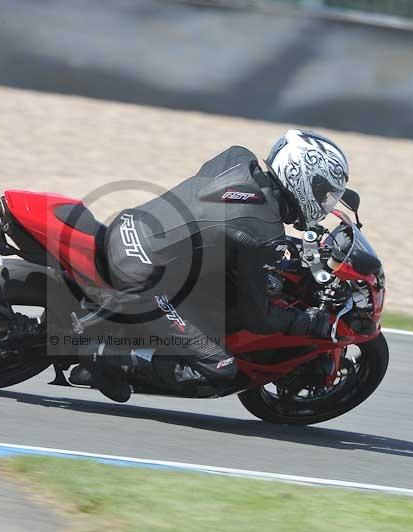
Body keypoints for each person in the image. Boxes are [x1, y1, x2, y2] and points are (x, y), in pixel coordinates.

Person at [71, 129, 350, 402]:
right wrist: (307, 322)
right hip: (142, 273)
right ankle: (109, 355)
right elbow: (259, 318)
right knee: (220, 369)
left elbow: (223, 221)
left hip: (130, 225)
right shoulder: (263, 234)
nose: (325, 205)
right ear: (301, 179)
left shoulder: (237, 159)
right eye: (324, 195)